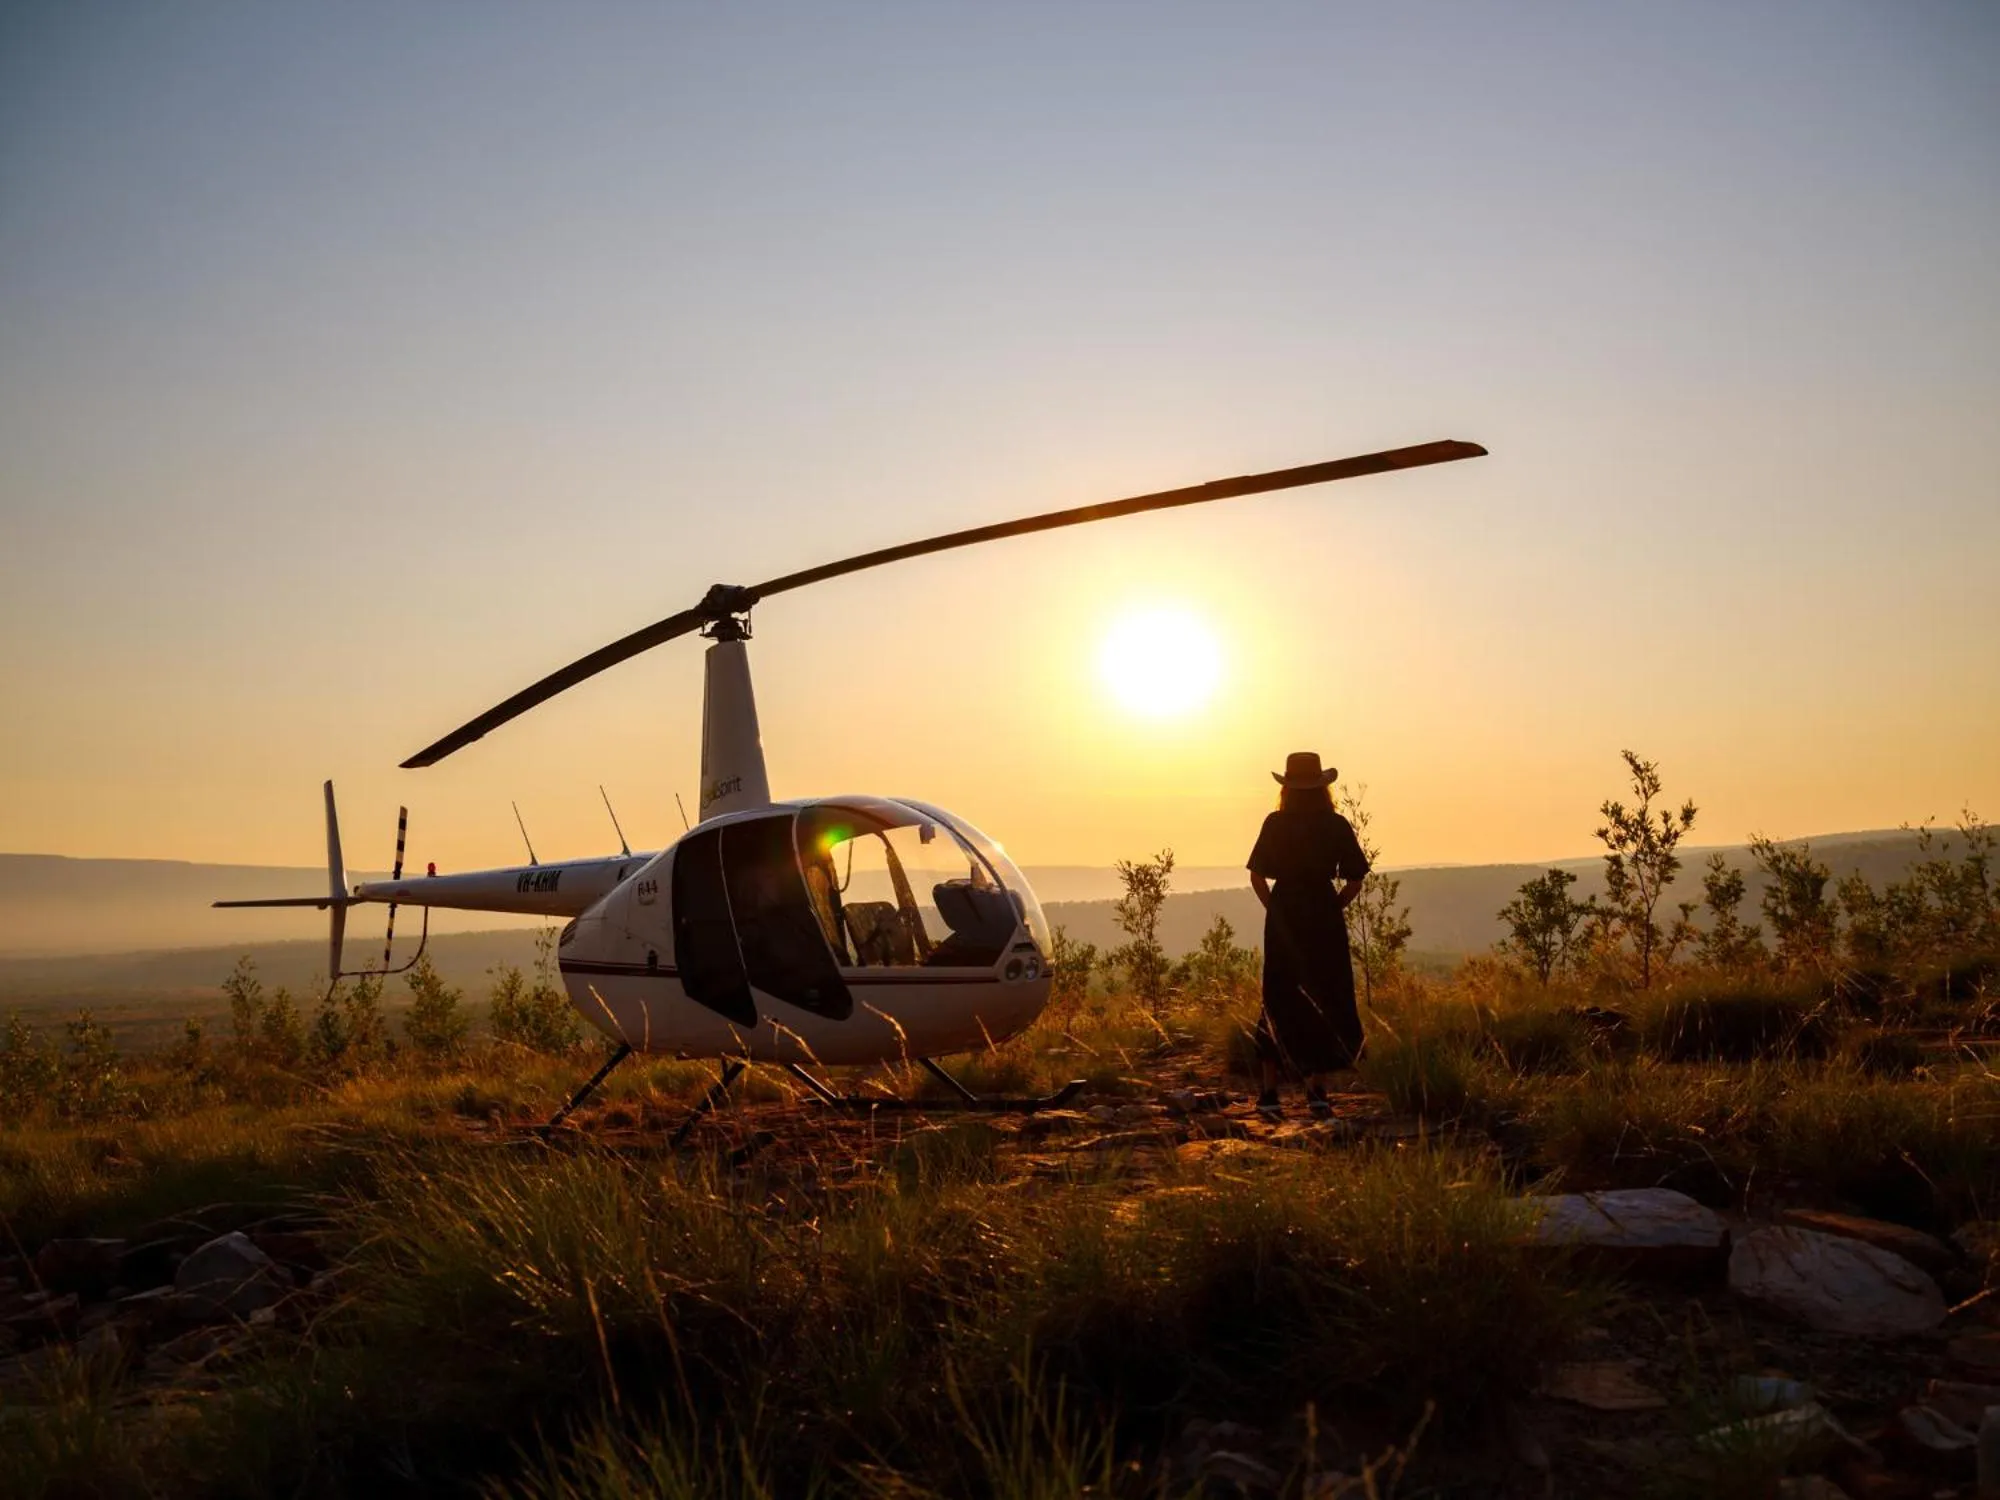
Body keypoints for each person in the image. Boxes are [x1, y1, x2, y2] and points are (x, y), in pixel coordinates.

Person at [1246, 751, 1371, 1113]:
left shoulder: (1275, 823)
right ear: (1322, 787)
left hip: (1284, 914)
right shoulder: (1335, 825)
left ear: (1287, 787)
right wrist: (1333, 908)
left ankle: (1270, 1094)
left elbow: (1257, 876)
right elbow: (1355, 879)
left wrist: (1276, 909)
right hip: (1323, 916)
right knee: (1323, 995)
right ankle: (1316, 1092)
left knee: (1278, 995)